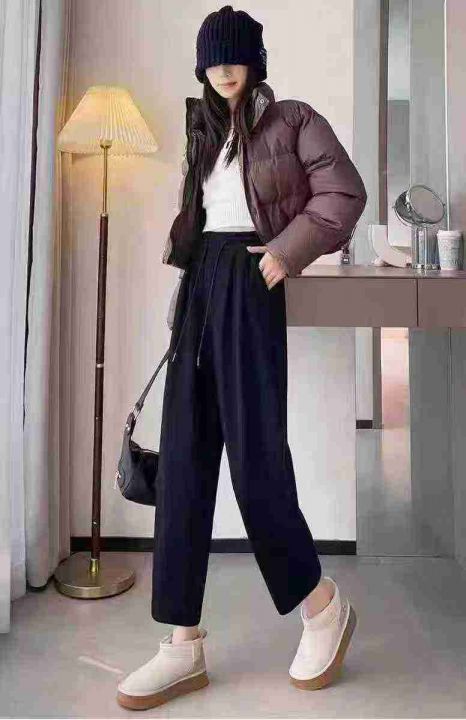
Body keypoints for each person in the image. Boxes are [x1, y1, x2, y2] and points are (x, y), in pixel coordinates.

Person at [117, 5, 367, 711]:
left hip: (250, 280)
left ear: (255, 61)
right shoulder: (201, 127)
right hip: (201, 283)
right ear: (201, 66)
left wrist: (285, 254)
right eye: (213, 58)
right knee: (184, 456)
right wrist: (184, 285)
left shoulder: (291, 119)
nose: (224, 68)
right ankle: (181, 641)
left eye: (235, 56)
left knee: (256, 457)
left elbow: (344, 192)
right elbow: (197, 213)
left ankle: (322, 606)